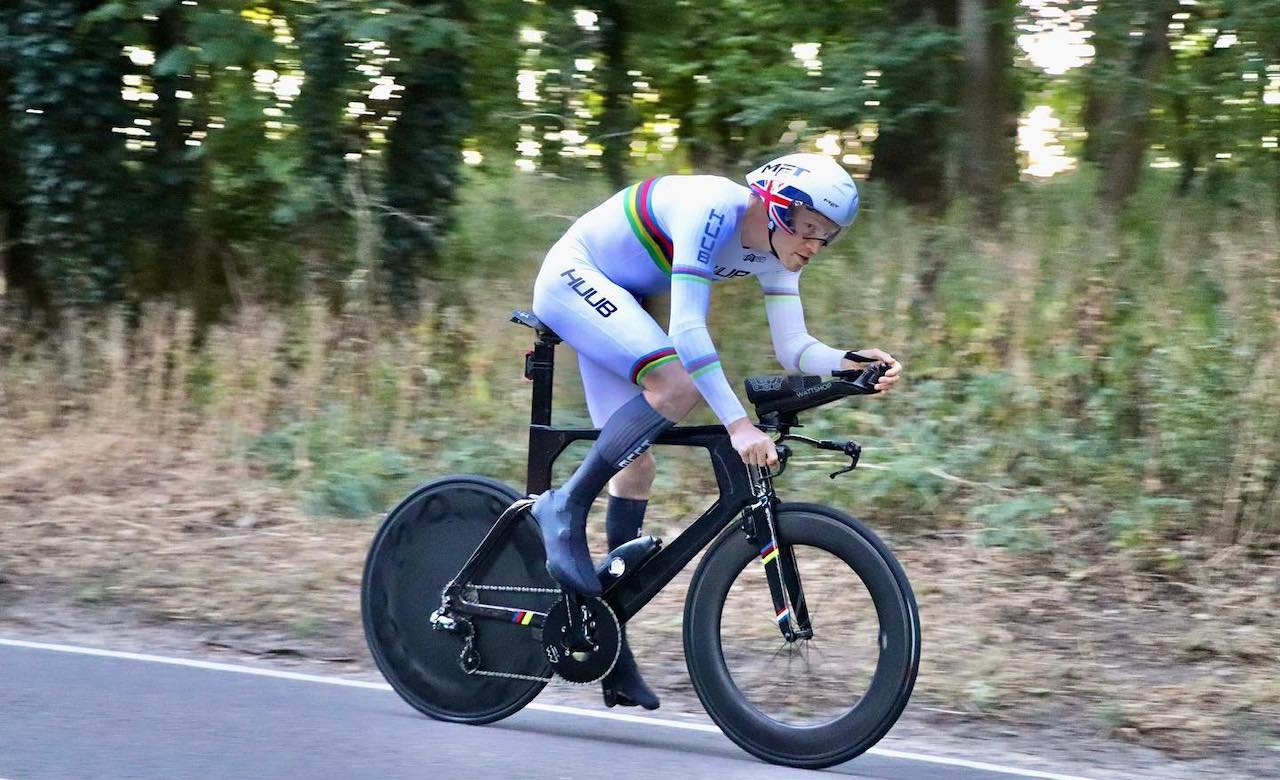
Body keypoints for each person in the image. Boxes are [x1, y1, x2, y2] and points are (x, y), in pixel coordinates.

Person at [529, 152, 903, 710]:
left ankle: (609, 645)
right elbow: (686, 328)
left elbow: (793, 348)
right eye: (809, 230)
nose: (814, 247)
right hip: (576, 278)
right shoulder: (712, 208)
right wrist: (737, 424)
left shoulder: (777, 252)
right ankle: (563, 505)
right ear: (778, 207)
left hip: (622, 299)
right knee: (676, 388)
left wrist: (849, 364)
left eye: (827, 238)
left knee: (637, 465)